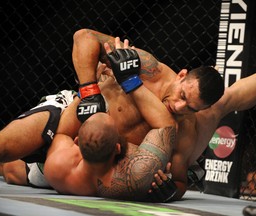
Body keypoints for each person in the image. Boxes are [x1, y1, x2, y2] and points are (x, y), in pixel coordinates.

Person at [70, 29, 256, 201]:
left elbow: (179, 183)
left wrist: (169, 190)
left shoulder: (185, 127)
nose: (179, 107)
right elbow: (83, 36)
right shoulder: (147, 68)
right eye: (181, 95)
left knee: (221, 104)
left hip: (133, 160)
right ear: (181, 75)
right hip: (93, 133)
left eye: (190, 107)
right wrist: (89, 90)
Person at [44, 44, 177, 201]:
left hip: (55, 180)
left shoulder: (54, 167)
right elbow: (167, 126)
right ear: (118, 149)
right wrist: (130, 80)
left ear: (77, 141)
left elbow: (62, 132)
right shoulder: (135, 174)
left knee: (19, 170)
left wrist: (89, 88)